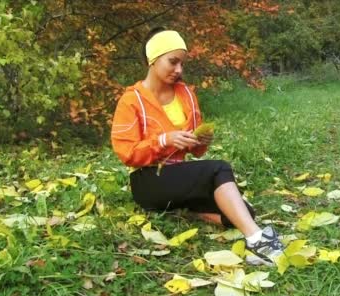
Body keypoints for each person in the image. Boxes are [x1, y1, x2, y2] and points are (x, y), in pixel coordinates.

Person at [111, 28, 284, 266]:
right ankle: (257, 241)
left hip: (179, 178)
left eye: (182, 63)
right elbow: (126, 153)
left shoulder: (186, 95)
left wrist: (200, 143)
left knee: (243, 212)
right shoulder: (132, 100)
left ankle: (188, 211)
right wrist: (164, 140)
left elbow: (196, 152)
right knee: (218, 169)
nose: (179, 70)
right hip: (148, 180)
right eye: (173, 62)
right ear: (153, 59)